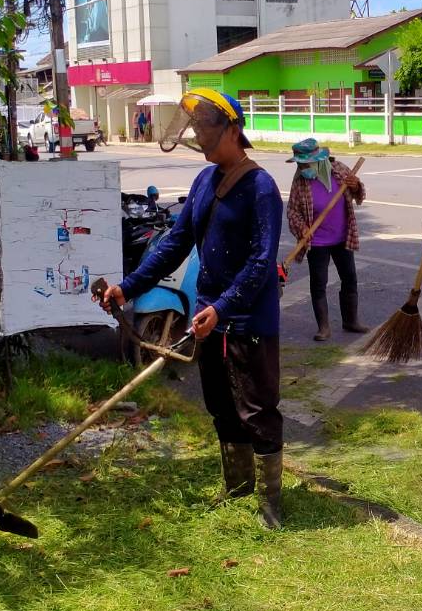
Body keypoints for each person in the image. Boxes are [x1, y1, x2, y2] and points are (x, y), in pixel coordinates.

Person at [99, 88, 286, 527]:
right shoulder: (204, 182)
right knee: (221, 404)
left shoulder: (261, 189)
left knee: (257, 408)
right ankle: (237, 486)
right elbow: (175, 244)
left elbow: (261, 262)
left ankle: (269, 502)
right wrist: (128, 288)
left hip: (248, 319)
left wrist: (222, 308)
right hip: (210, 317)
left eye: (205, 127)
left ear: (233, 130)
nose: (198, 135)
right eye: (196, 127)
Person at [285, 136, 367, 342]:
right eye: (300, 164)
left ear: (319, 159)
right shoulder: (300, 179)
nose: (303, 167)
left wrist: (356, 186)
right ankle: (323, 327)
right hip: (317, 241)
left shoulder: (339, 170)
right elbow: (293, 211)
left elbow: (359, 194)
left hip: (341, 237)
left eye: (306, 163)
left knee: (349, 278)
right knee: (318, 283)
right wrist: (302, 228)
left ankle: (351, 321)